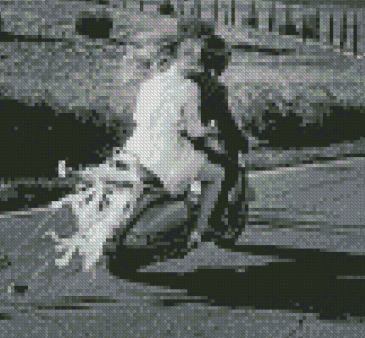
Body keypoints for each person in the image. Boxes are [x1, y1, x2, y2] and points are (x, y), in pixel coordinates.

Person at [48, 20, 248, 272]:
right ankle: (198, 231)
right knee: (217, 175)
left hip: (137, 147)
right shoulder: (197, 88)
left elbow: (138, 118)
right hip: (169, 151)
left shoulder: (149, 83)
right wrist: (203, 134)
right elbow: (198, 131)